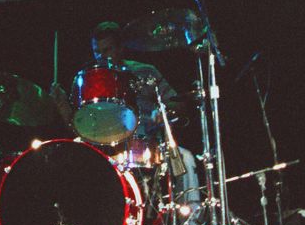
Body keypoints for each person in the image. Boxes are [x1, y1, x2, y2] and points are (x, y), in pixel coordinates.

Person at [56, 22, 200, 211]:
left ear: (120, 48)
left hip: (147, 145)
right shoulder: (87, 81)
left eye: (106, 50)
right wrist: (63, 108)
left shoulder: (145, 71)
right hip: (106, 149)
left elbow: (178, 103)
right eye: (96, 51)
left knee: (186, 158)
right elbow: (79, 128)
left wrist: (164, 110)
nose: (101, 56)